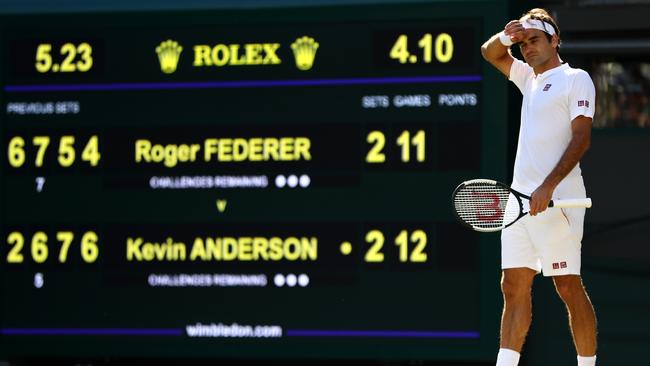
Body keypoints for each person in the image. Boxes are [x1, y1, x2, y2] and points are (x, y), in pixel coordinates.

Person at [480, 8, 598, 366]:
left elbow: (581, 139)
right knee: (512, 287)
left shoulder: (575, 78)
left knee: (567, 286)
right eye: (524, 42)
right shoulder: (527, 78)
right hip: (518, 204)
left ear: (554, 40)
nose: (528, 48)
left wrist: (548, 186)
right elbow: (490, 53)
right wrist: (506, 37)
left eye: (534, 41)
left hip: (559, 200)